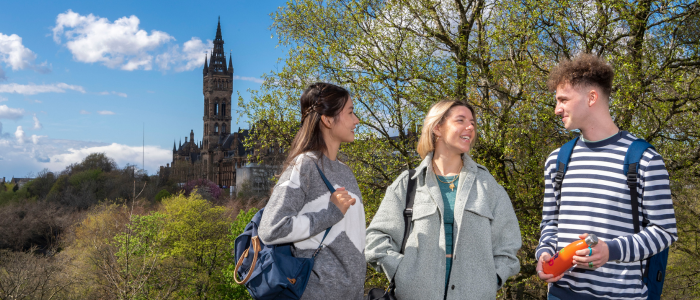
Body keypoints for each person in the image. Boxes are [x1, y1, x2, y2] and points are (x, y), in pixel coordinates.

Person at [535, 54, 678, 299]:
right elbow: (550, 224)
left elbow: (664, 231)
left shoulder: (643, 159)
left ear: (592, 97)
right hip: (561, 293)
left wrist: (611, 251)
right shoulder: (557, 160)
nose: (557, 109)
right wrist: (544, 253)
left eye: (563, 100)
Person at [365, 100, 521, 300]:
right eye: (461, 120)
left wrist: (493, 279)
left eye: (472, 122)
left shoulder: (488, 186)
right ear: (437, 128)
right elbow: (376, 240)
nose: (470, 127)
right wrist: (402, 273)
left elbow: (508, 245)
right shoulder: (408, 184)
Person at [258, 82, 365, 300]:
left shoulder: (346, 172)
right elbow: (271, 228)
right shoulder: (304, 165)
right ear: (327, 120)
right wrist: (330, 213)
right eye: (351, 112)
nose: (357, 120)